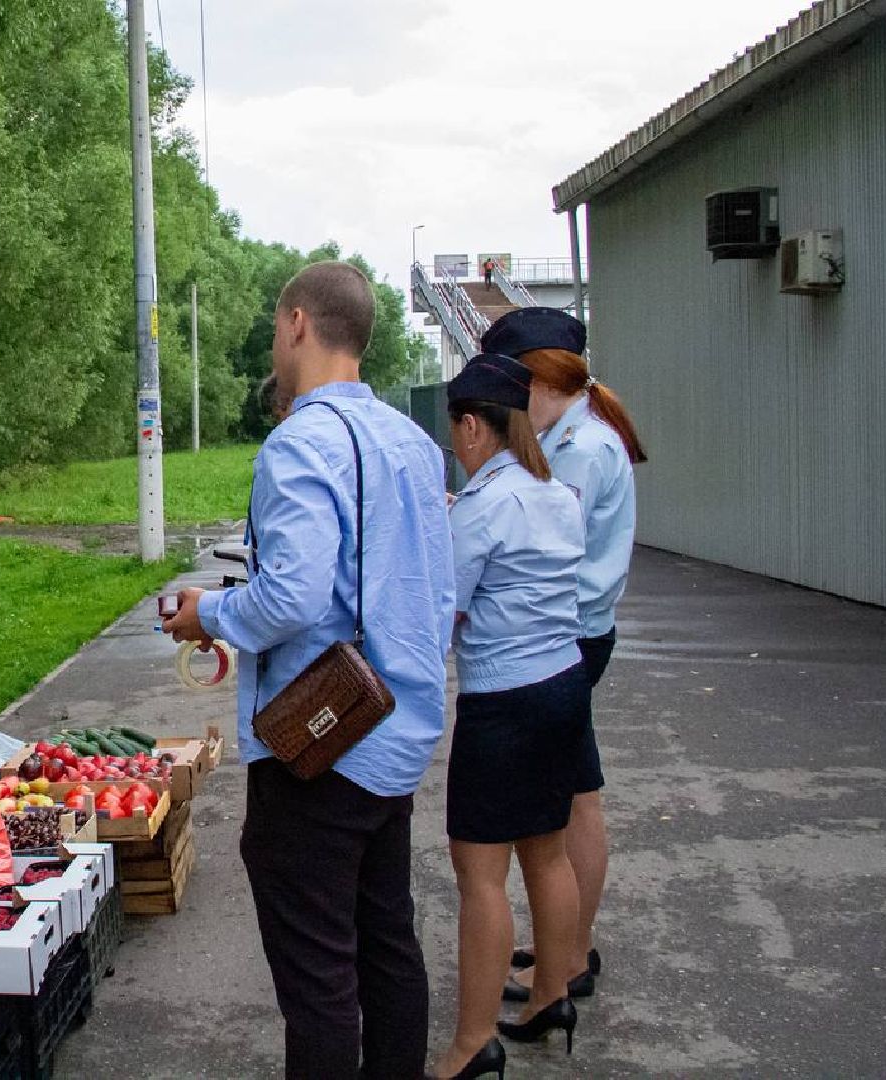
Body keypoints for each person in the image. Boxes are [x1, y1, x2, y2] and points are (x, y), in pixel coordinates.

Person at [163, 260, 456, 1079]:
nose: (273, 339)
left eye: (272, 327)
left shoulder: (299, 444)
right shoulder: (413, 443)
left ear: (296, 322)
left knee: (318, 978)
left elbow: (290, 597)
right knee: (386, 942)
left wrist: (207, 615)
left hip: (318, 744)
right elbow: (434, 591)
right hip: (394, 730)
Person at [427, 354, 588, 1079]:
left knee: (480, 877)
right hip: (562, 685)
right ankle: (551, 992)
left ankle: (470, 1045)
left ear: (470, 426)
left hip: (503, 701)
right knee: (546, 852)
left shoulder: (483, 507)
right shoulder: (556, 494)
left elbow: (443, 613)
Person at [479, 307, 646, 1003]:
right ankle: (568, 945)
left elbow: (541, 554)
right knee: (576, 792)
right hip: (573, 635)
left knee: (558, 805)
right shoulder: (575, 436)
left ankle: (567, 957)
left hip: (563, 640)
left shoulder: (579, 449)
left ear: (542, 378)